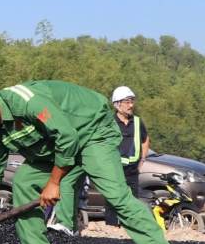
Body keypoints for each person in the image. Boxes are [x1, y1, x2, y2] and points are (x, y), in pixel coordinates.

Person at [0, 79, 188, 244]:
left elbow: (67, 136)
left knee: (117, 196)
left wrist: (54, 183)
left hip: (92, 134)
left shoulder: (26, 102)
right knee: (24, 180)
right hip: (61, 147)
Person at [50, 85, 150, 232]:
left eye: (132, 101)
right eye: (127, 101)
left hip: (132, 170)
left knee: (131, 201)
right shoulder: (109, 120)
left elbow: (145, 139)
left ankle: (131, 231)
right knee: (112, 200)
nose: (131, 105)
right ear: (117, 104)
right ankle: (111, 231)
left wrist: (142, 160)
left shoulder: (137, 122)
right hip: (113, 167)